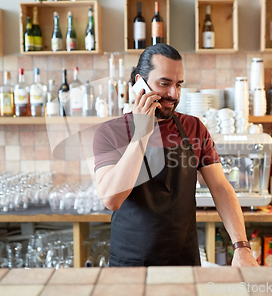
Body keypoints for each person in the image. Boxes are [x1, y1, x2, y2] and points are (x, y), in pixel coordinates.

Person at [93, 43, 258, 267]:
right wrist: (141, 133)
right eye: (165, 84)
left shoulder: (194, 128)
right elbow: (111, 199)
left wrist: (241, 246)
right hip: (130, 266)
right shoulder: (111, 132)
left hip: (184, 263)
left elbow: (220, 187)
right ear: (139, 83)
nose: (174, 94)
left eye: (178, 84)